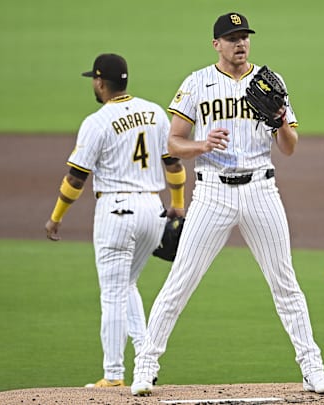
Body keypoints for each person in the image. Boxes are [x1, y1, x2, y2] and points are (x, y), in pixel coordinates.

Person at [130, 12, 324, 397]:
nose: (240, 43)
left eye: (244, 37)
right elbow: (173, 143)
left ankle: (313, 370)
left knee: (285, 283)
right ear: (216, 45)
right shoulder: (197, 83)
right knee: (180, 281)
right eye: (231, 38)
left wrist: (280, 120)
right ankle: (145, 367)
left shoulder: (270, 83)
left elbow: (289, 149)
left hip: (261, 190)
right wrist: (202, 145)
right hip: (212, 194)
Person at [44, 53, 186, 388]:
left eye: (93, 80)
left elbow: (76, 178)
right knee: (127, 285)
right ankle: (145, 357)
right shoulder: (154, 112)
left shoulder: (97, 121)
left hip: (116, 212)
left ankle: (113, 375)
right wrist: (177, 206)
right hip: (154, 211)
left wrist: (55, 218)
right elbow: (174, 166)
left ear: (99, 81)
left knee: (111, 293)